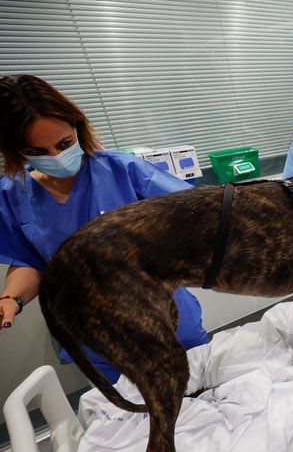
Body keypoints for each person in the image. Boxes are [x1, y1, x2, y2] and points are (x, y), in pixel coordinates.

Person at [0, 74, 209, 382]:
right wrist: (10, 299)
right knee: (131, 414)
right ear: (17, 151)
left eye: (64, 144)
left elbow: (198, 217)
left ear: (77, 127)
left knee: (207, 395)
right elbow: (30, 262)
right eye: (39, 152)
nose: (56, 157)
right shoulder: (12, 195)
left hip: (168, 317)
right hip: (97, 334)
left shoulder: (123, 170)